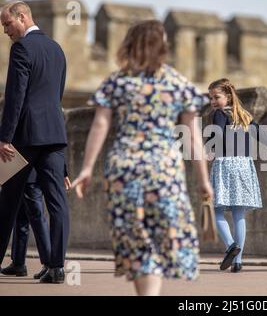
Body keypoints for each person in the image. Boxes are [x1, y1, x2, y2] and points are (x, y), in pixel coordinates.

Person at [71, 20, 213, 296]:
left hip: (125, 170)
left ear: (129, 44)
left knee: (137, 240)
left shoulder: (117, 81)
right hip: (164, 171)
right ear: (163, 47)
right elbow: (194, 139)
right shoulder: (178, 83)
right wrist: (204, 181)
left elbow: (100, 125)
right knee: (159, 241)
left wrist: (87, 168)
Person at [0, 1, 70, 283]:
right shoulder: (57, 49)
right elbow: (57, 96)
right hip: (54, 135)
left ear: (23, 16)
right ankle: (56, 267)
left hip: (25, 137)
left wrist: (5, 137)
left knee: (7, 202)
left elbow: (15, 97)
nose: (5, 30)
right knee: (57, 203)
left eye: (7, 24)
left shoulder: (22, 48)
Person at [207, 78, 267, 273]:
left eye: (216, 97)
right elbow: (266, 140)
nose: (212, 102)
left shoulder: (218, 114)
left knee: (216, 211)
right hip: (244, 165)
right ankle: (238, 261)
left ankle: (230, 246)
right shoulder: (245, 116)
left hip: (225, 164)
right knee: (238, 214)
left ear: (227, 96)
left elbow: (216, 136)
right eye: (210, 98)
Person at [0, 168, 71, 279]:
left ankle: (48, 263)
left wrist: (63, 171)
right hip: (23, 173)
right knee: (21, 217)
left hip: (29, 174)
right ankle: (18, 263)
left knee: (37, 217)